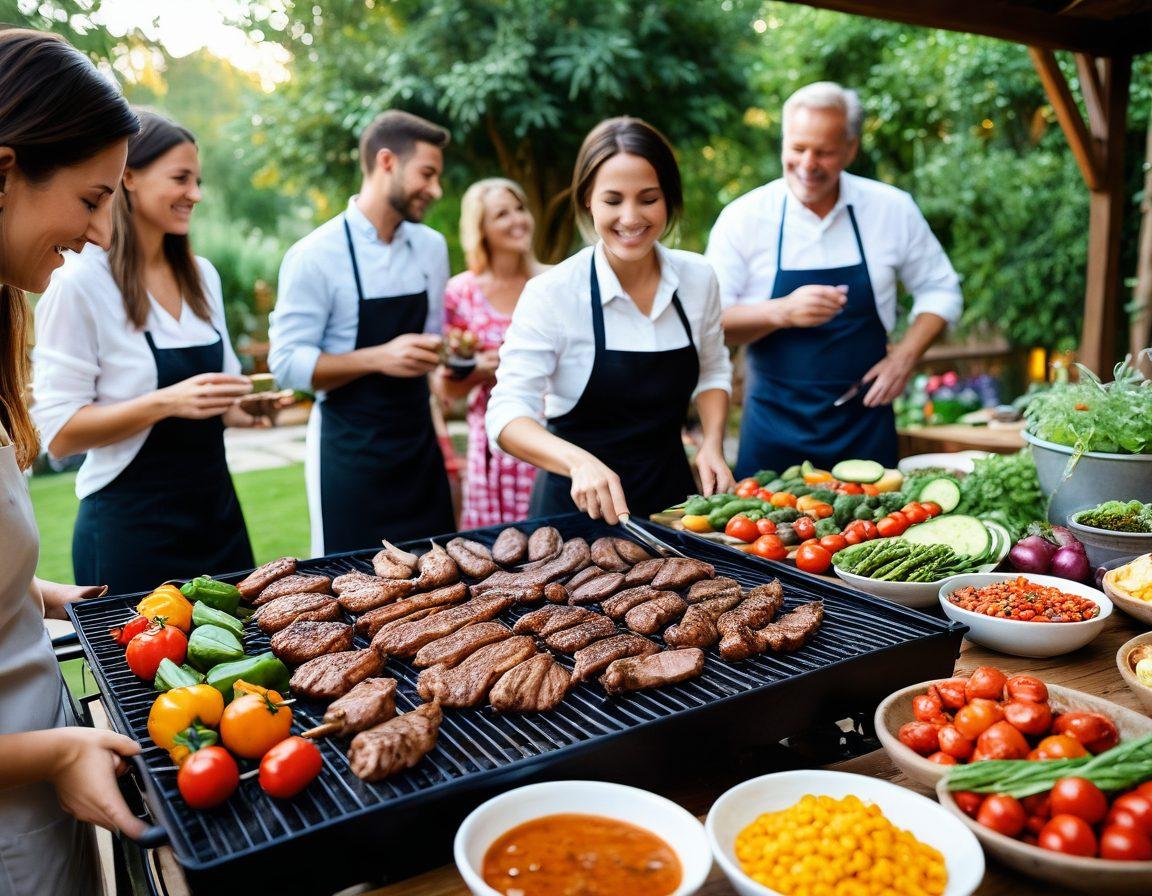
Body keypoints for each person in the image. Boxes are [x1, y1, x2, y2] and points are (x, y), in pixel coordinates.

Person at [0, 28, 148, 894]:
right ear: (5, 171)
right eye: (92, 199)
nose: (100, 235)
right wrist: (57, 752)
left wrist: (37, 592)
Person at [33, 111, 259, 596]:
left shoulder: (205, 277)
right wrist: (168, 402)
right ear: (128, 176)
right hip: (131, 533)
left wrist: (246, 409)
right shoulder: (78, 283)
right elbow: (59, 434)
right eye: (180, 178)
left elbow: (220, 401)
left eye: (197, 180)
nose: (195, 194)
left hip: (220, 520)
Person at [706, 82, 963, 477]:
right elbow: (710, 323)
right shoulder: (744, 217)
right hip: (772, 431)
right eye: (797, 148)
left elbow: (941, 290)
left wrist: (905, 356)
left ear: (851, 148)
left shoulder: (891, 209)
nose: (808, 164)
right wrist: (783, 311)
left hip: (865, 427)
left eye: (824, 152)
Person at [488, 117, 733, 524]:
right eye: (613, 200)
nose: (631, 217)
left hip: (672, 511)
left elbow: (713, 371)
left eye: (648, 198)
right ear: (588, 199)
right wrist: (576, 462)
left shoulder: (698, 278)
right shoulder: (553, 293)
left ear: (669, 198)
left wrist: (711, 442)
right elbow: (507, 414)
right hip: (571, 519)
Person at [270, 111, 454, 555]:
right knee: (352, 585)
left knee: (441, 583)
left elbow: (432, 341)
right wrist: (379, 357)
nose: (436, 190)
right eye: (427, 174)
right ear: (387, 161)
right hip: (351, 454)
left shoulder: (432, 248)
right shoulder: (314, 254)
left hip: (418, 448)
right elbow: (287, 366)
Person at [436, 178, 546, 528]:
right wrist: (480, 368)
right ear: (480, 228)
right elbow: (446, 390)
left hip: (550, 434)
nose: (518, 220)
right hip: (492, 445)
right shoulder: (460, 293)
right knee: (494, 553)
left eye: (520, 209)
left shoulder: (553, 283)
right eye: (502, 214)